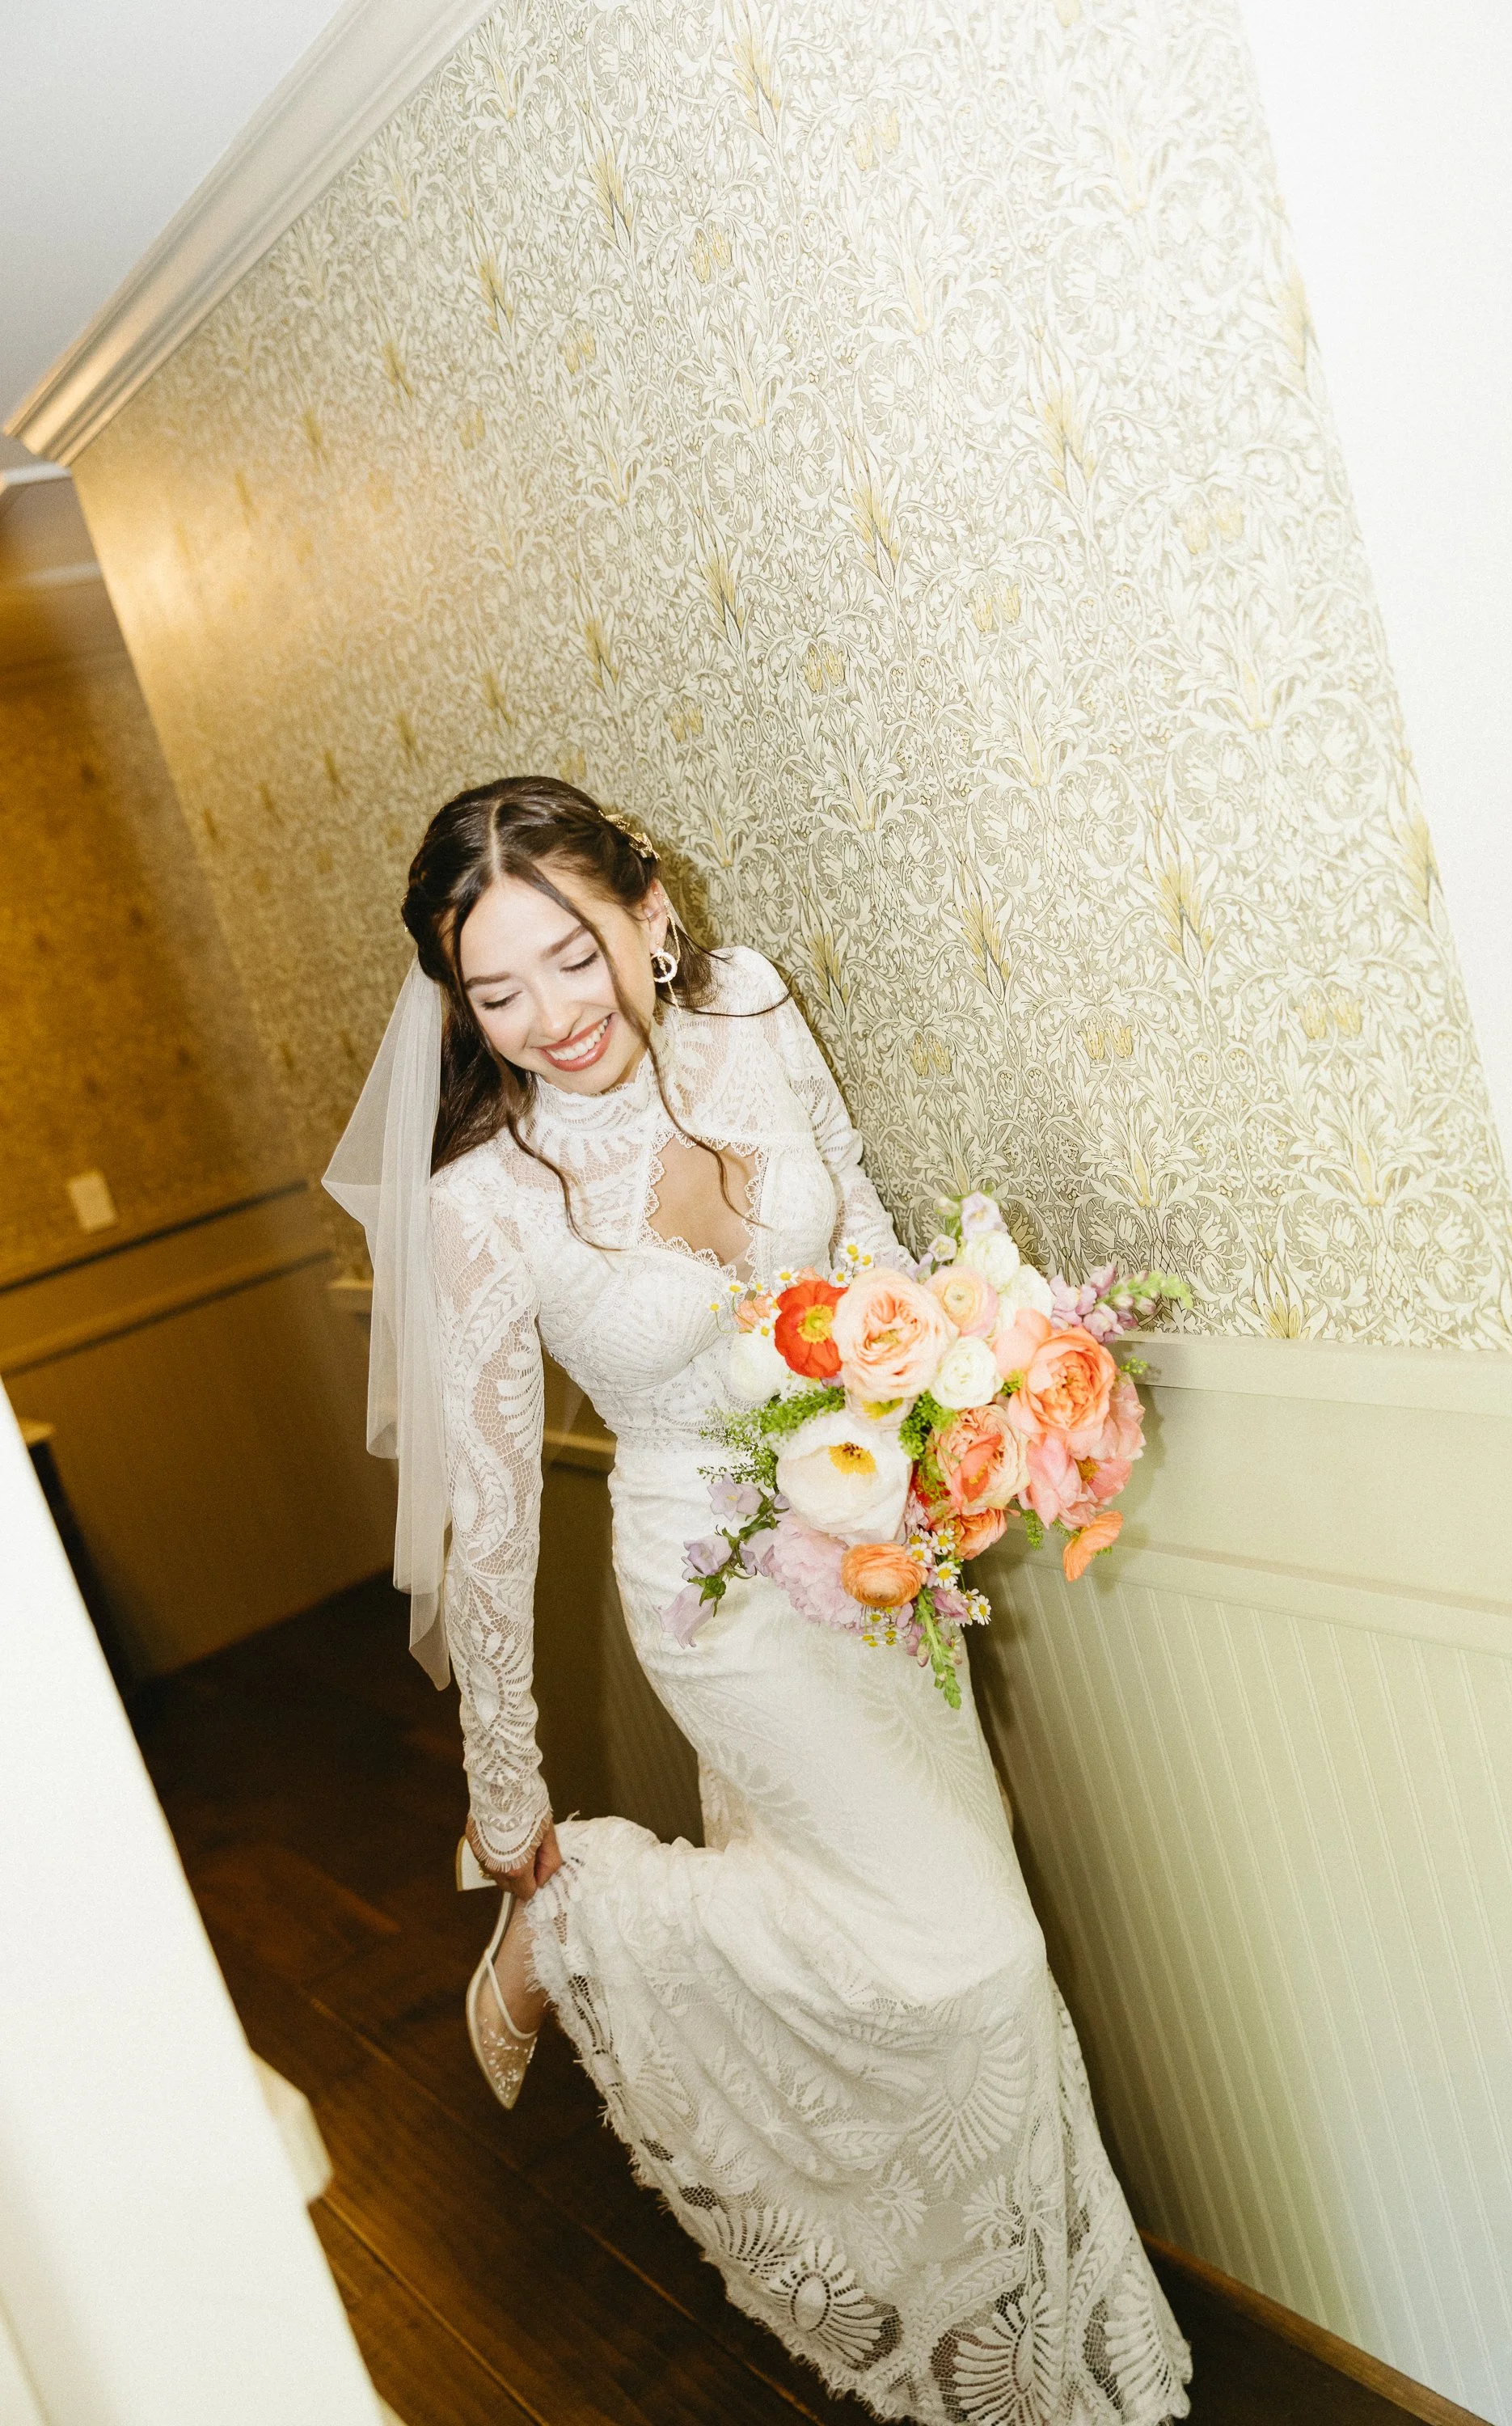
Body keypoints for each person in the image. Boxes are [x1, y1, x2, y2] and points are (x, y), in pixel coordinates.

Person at [325, 775, 1191, 2425]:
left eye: (572, 961)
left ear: (649, 919)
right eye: (493, 994)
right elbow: (490, 1526)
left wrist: (947, 1434)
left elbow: (858, 1238)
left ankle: (1040, 2370)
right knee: (976, 1964)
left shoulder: (749, 1011)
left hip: (879, 1564)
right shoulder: (479, 1206)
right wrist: (505, 1801)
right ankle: (576, 1913)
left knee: (909, 1950)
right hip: (710, 1598)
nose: (547, 1020)